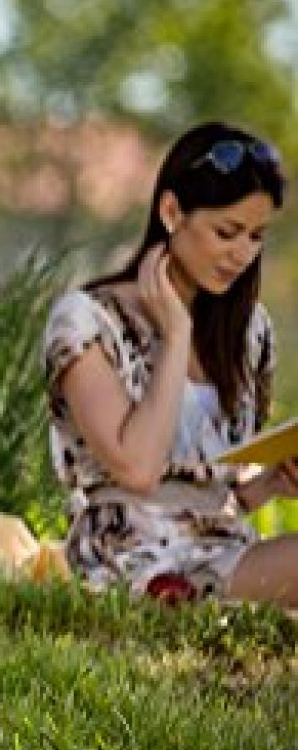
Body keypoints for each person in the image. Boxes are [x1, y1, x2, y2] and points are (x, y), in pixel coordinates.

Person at [42, 121, 298, 606]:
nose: (243, 253)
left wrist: (267, 485)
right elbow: (138, 471)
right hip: (127, 559)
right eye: (227, 232)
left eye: (257, 236)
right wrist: (176, 333)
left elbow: (211, 492)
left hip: (222, 551)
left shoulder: (248, 331)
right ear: (171, 210)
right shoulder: (86, 322)